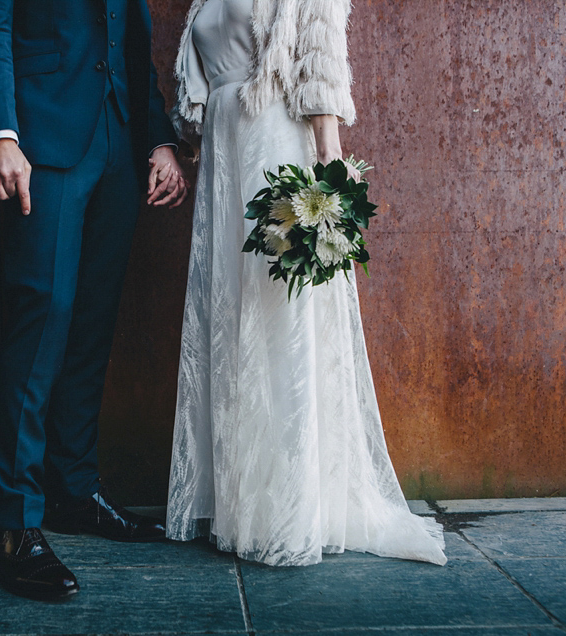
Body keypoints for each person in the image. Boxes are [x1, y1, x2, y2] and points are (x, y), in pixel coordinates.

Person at [166, 0, 447, 567]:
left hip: (274, 143)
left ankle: (285, 513)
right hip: (224, 153)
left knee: (277, 322)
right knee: (229, 320)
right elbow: (199, 75)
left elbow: (319, 64)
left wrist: (328, 166)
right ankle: (236, 504)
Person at [0, 0, 190, 600]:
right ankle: (11, 526)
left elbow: (128, 38)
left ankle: (74, 491)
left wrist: (157, 138)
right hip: (40, 137)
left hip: (118, 140)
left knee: (91, 325)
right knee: (43, 320)